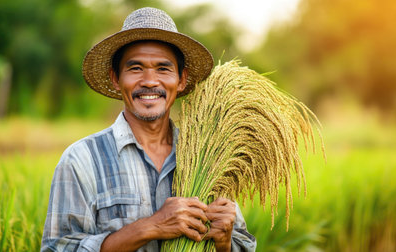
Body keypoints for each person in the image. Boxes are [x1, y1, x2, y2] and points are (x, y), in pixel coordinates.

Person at [41, 7, 256, 252]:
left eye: (163, 68)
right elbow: (57, 249)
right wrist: (151, 226)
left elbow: (242, 246)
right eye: (135, 68)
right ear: (115, 78)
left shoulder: (209, 161)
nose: (150, 81)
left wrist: (224, 242)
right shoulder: (81, 160)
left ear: (181, 79)